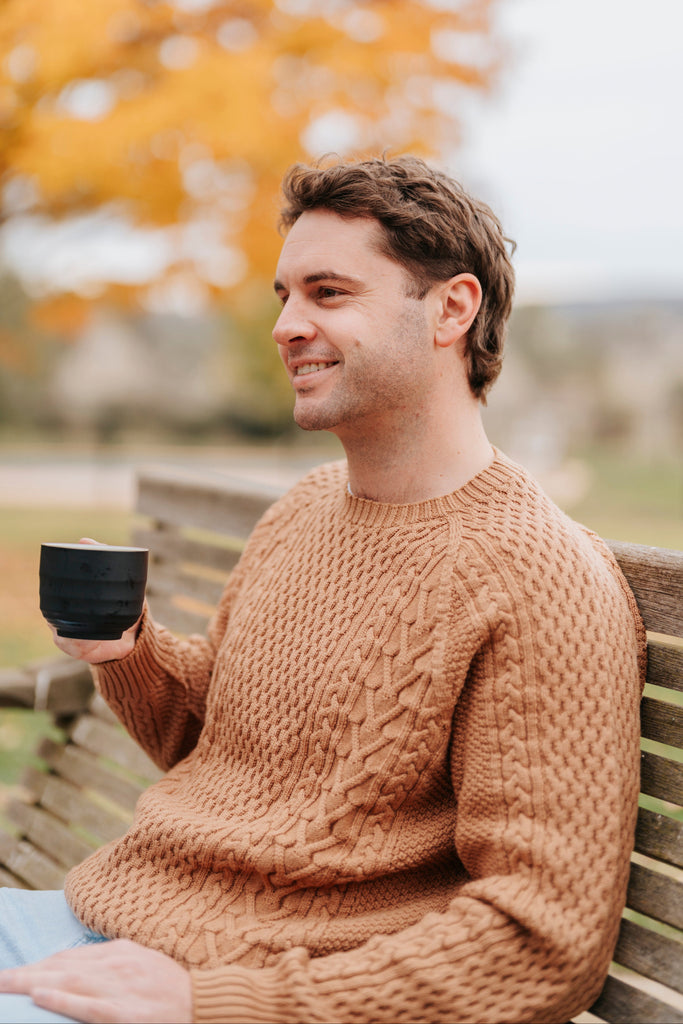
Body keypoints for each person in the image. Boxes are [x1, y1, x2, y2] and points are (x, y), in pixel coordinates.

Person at [0, 155, 645, 1024]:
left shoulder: (539, 579)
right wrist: (132, 653)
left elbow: (541, 941)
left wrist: (213, 1002)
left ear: (452, 309)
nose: (285, 325)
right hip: (92, 927)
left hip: (225, 991)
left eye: (328, 293)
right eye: (284, 296)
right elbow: (211, 748)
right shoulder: (301, 512)